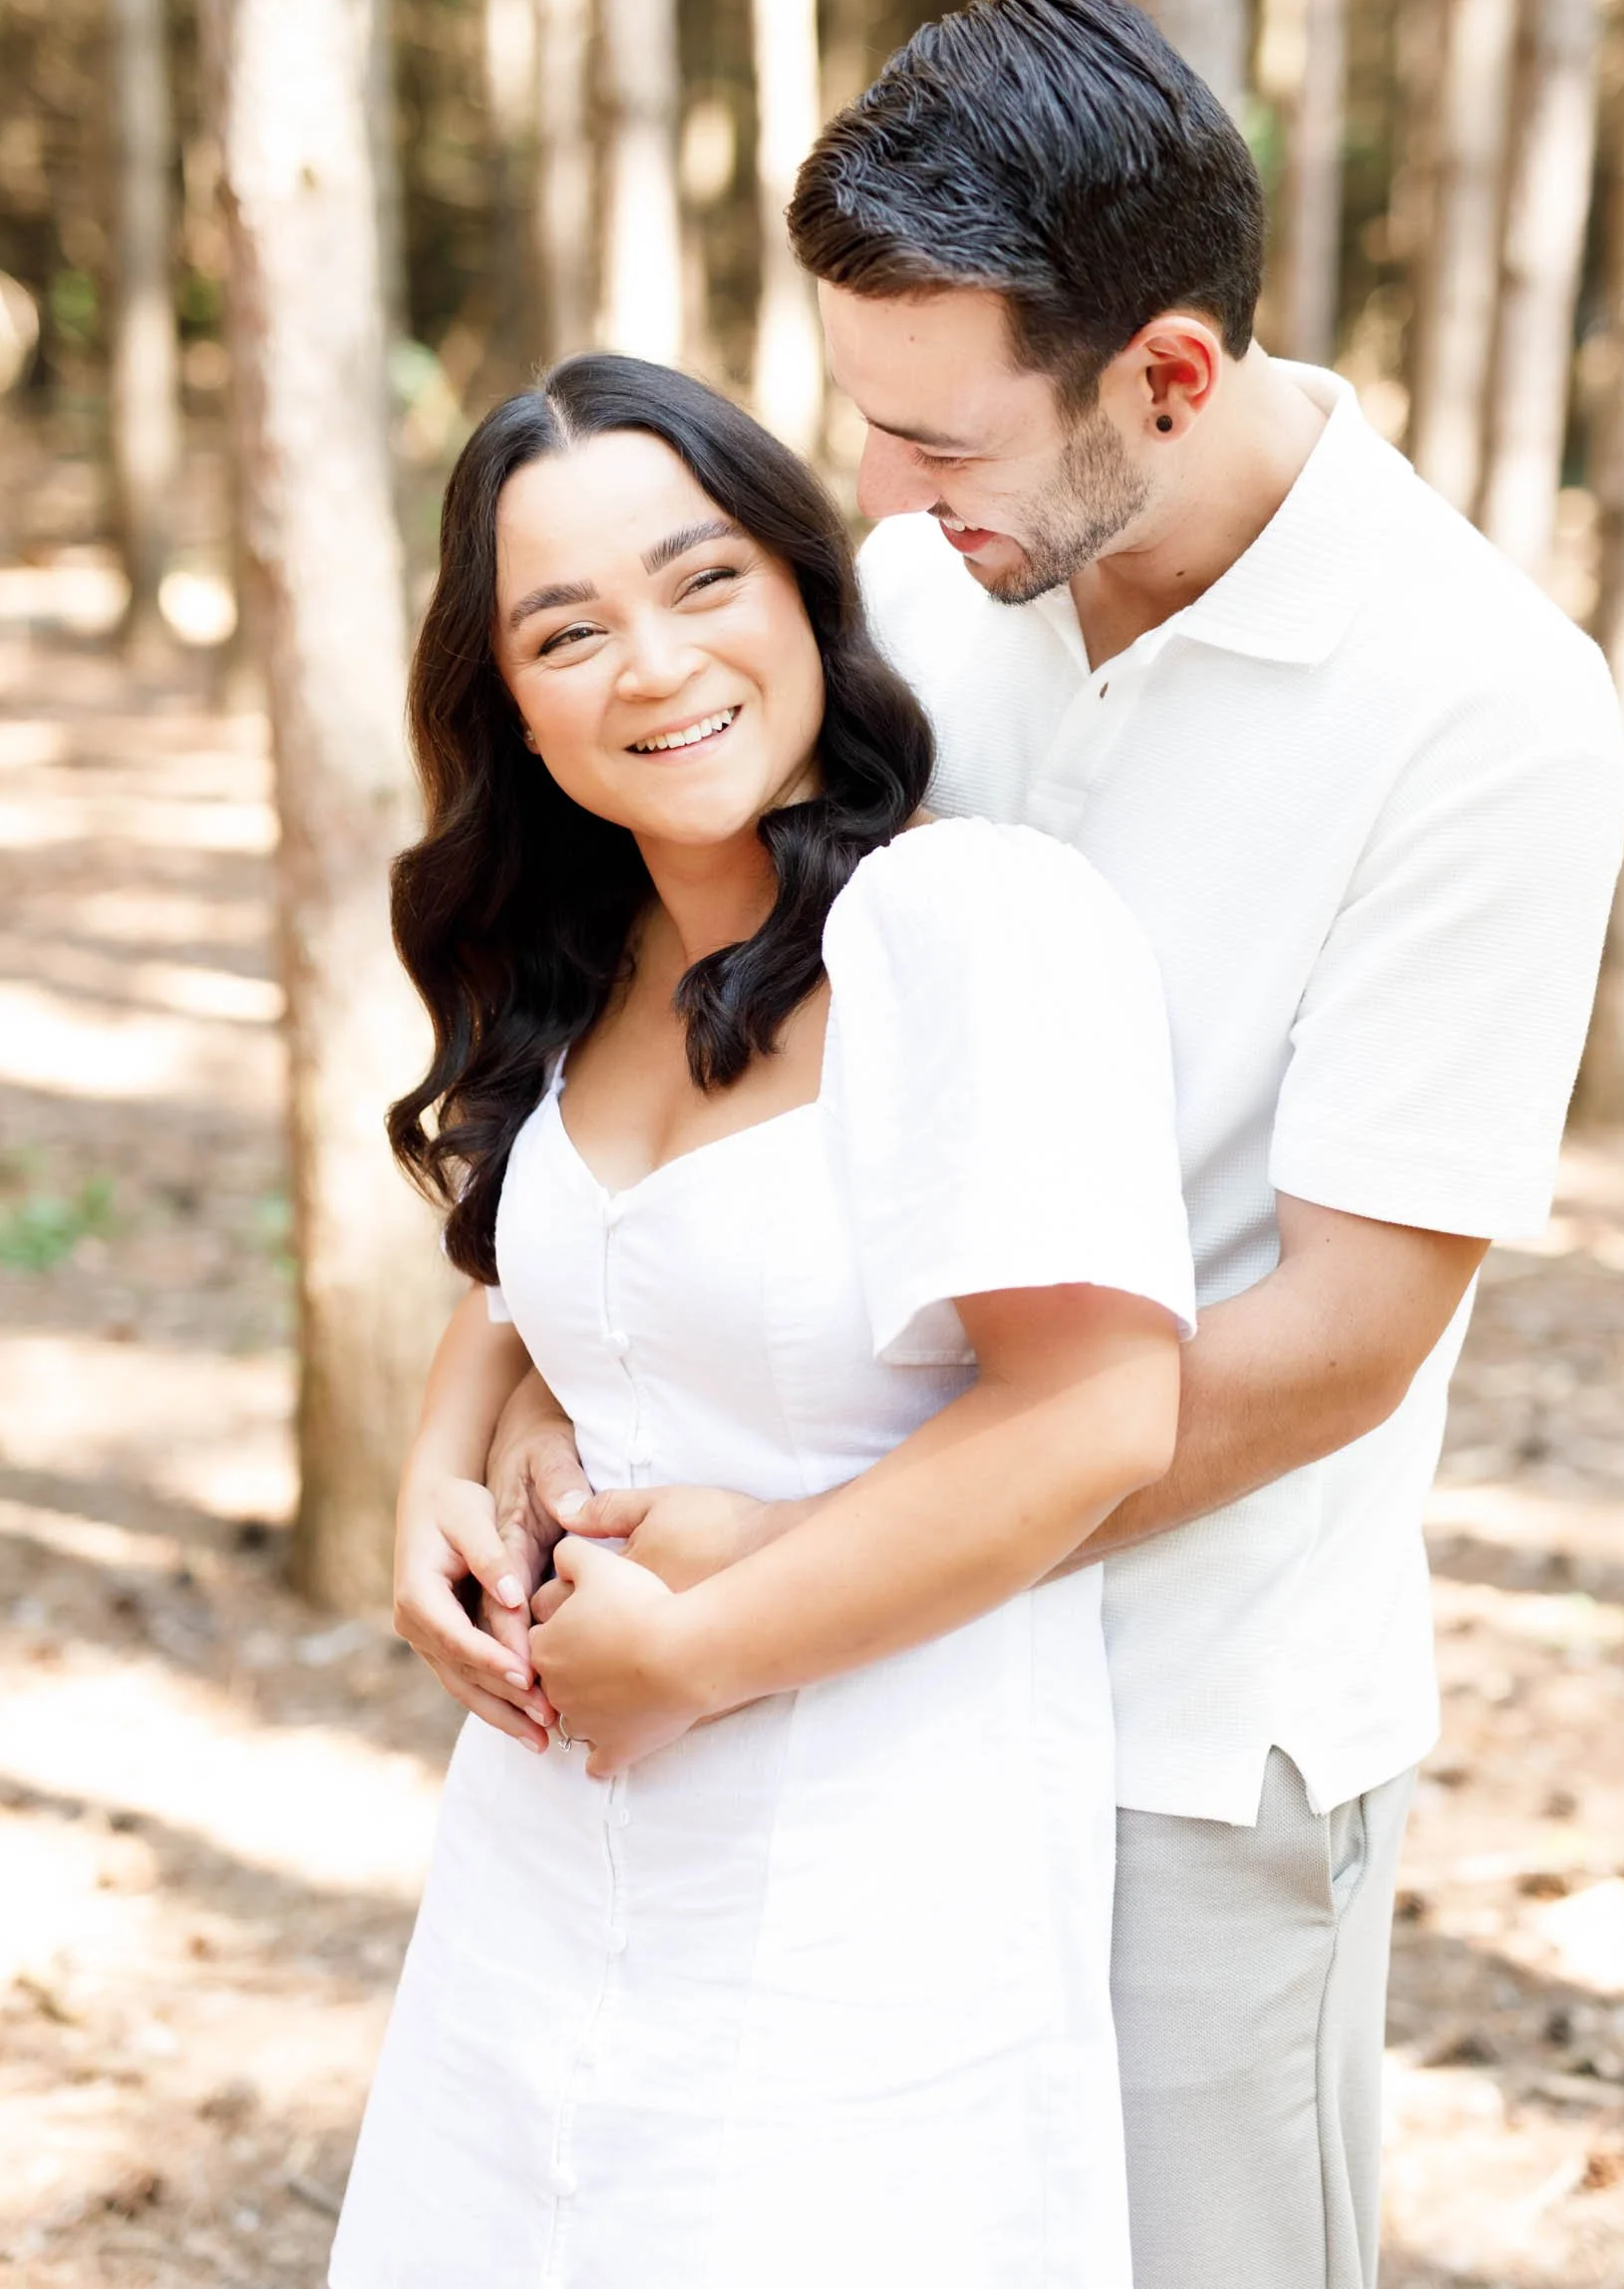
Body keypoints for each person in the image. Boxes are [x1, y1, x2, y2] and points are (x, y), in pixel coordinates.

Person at [401, 0, 1624, 2289]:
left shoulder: (1485, 712)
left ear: (1162, 375)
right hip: (824, 1725)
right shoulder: (921, 590)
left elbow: (1346, 1333)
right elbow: (670, 1038)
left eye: (934, 438)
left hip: (1174, 1716)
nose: (869, 494)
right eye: (861, 425)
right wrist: (470, 1421)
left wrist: (786, 1571)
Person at [334, 352, 1195, 2289]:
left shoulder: (962, 923)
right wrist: (429, 1484)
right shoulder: (584, 961)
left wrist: (698, 1650)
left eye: (699, 579)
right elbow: (544, 1259)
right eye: (566, 629)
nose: (649, 664)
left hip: (870, 1850)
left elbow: (1095, 1412)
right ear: (510, 705)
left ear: (809, 591)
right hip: (549, 1843)